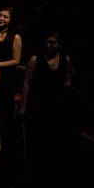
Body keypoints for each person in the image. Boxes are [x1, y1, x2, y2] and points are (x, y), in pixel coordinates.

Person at [19, 30, 75, 169]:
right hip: (37, 103)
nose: (48, 45)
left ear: (59, 44)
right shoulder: (35, 59)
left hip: (55, 103)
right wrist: (23, 105)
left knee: (51, 136)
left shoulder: (65, 59)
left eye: (52, 42)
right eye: (46, 42)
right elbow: (26, 83)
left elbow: (67, 80)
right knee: (36, 136)